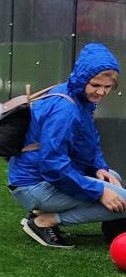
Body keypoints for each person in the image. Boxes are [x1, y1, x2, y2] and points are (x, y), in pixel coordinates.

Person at [8, 43, 125, 249]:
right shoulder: (66, 110)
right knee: (118, 196)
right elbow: (53, 166)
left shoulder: (77, 95)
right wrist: (99, 192)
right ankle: (44, 221)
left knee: (113, 177)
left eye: (107, 87)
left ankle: (113, 229)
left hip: (37, 179)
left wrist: (99, 168)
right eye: (96, 85)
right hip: (35, 185)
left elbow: (89, 139)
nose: (101, 92)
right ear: (82, 78)